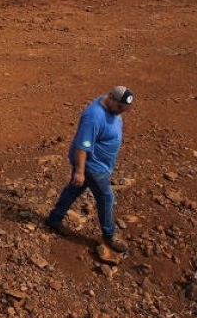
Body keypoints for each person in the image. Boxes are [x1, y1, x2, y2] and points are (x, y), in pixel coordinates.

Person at [45, 86, 134, 253]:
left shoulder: (110, 105)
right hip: (93, 166)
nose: (121, 112)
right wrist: (80, 171)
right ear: (111, 98)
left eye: (124, 109)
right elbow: (82, 147)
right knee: (106, 197)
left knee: (74, 190)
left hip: (101, 164)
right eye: (120, 108)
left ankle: (54, 218)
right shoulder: (93, 117)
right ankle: (109, 235)